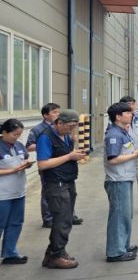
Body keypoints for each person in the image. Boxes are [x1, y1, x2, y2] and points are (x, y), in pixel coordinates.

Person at [37, 109, 85, 268]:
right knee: (62, 220)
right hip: (56, 184)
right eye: (69, 126)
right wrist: (69, 156)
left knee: (66, 219)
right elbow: (42, 164)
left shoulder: (66, 135)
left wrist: (75, 153)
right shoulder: (45, 137)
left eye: (74, 126)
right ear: (59, 122)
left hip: (68, 181)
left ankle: (54, 252)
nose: (71, 129)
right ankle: (56, 256)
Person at [26, 103, 83, 228]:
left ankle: (68, 215)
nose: (57, 114)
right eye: (54, 112)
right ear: (45, 115)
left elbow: (66, 152)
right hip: (54, 175)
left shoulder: (65, 132)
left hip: (66, 175)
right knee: (50, 195)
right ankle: (49, 218)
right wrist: (50, 147)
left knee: (67, 202)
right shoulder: (40, 131)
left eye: (58, 111)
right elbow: (31, 148)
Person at [103, 102, 138, 262]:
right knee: (119, 216)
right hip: (118, 180)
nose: (131, 115)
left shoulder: (122, 132)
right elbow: (113, 159)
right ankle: (115, 252)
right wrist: (134, 155)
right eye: (127, 113)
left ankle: (123, 245)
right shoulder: (114, 135)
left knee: (126, 215)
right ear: (118, 116)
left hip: (125, 178)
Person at [0, 119, 33, 265]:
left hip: (18, 192)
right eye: (14, 134)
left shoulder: (19, 145)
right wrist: (12, 170)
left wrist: (27, 164)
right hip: (2, 194)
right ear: (4, 132)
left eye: (19, 134)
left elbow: (24, 159)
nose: (17, 137)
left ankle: (10, 253)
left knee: (16, 223)